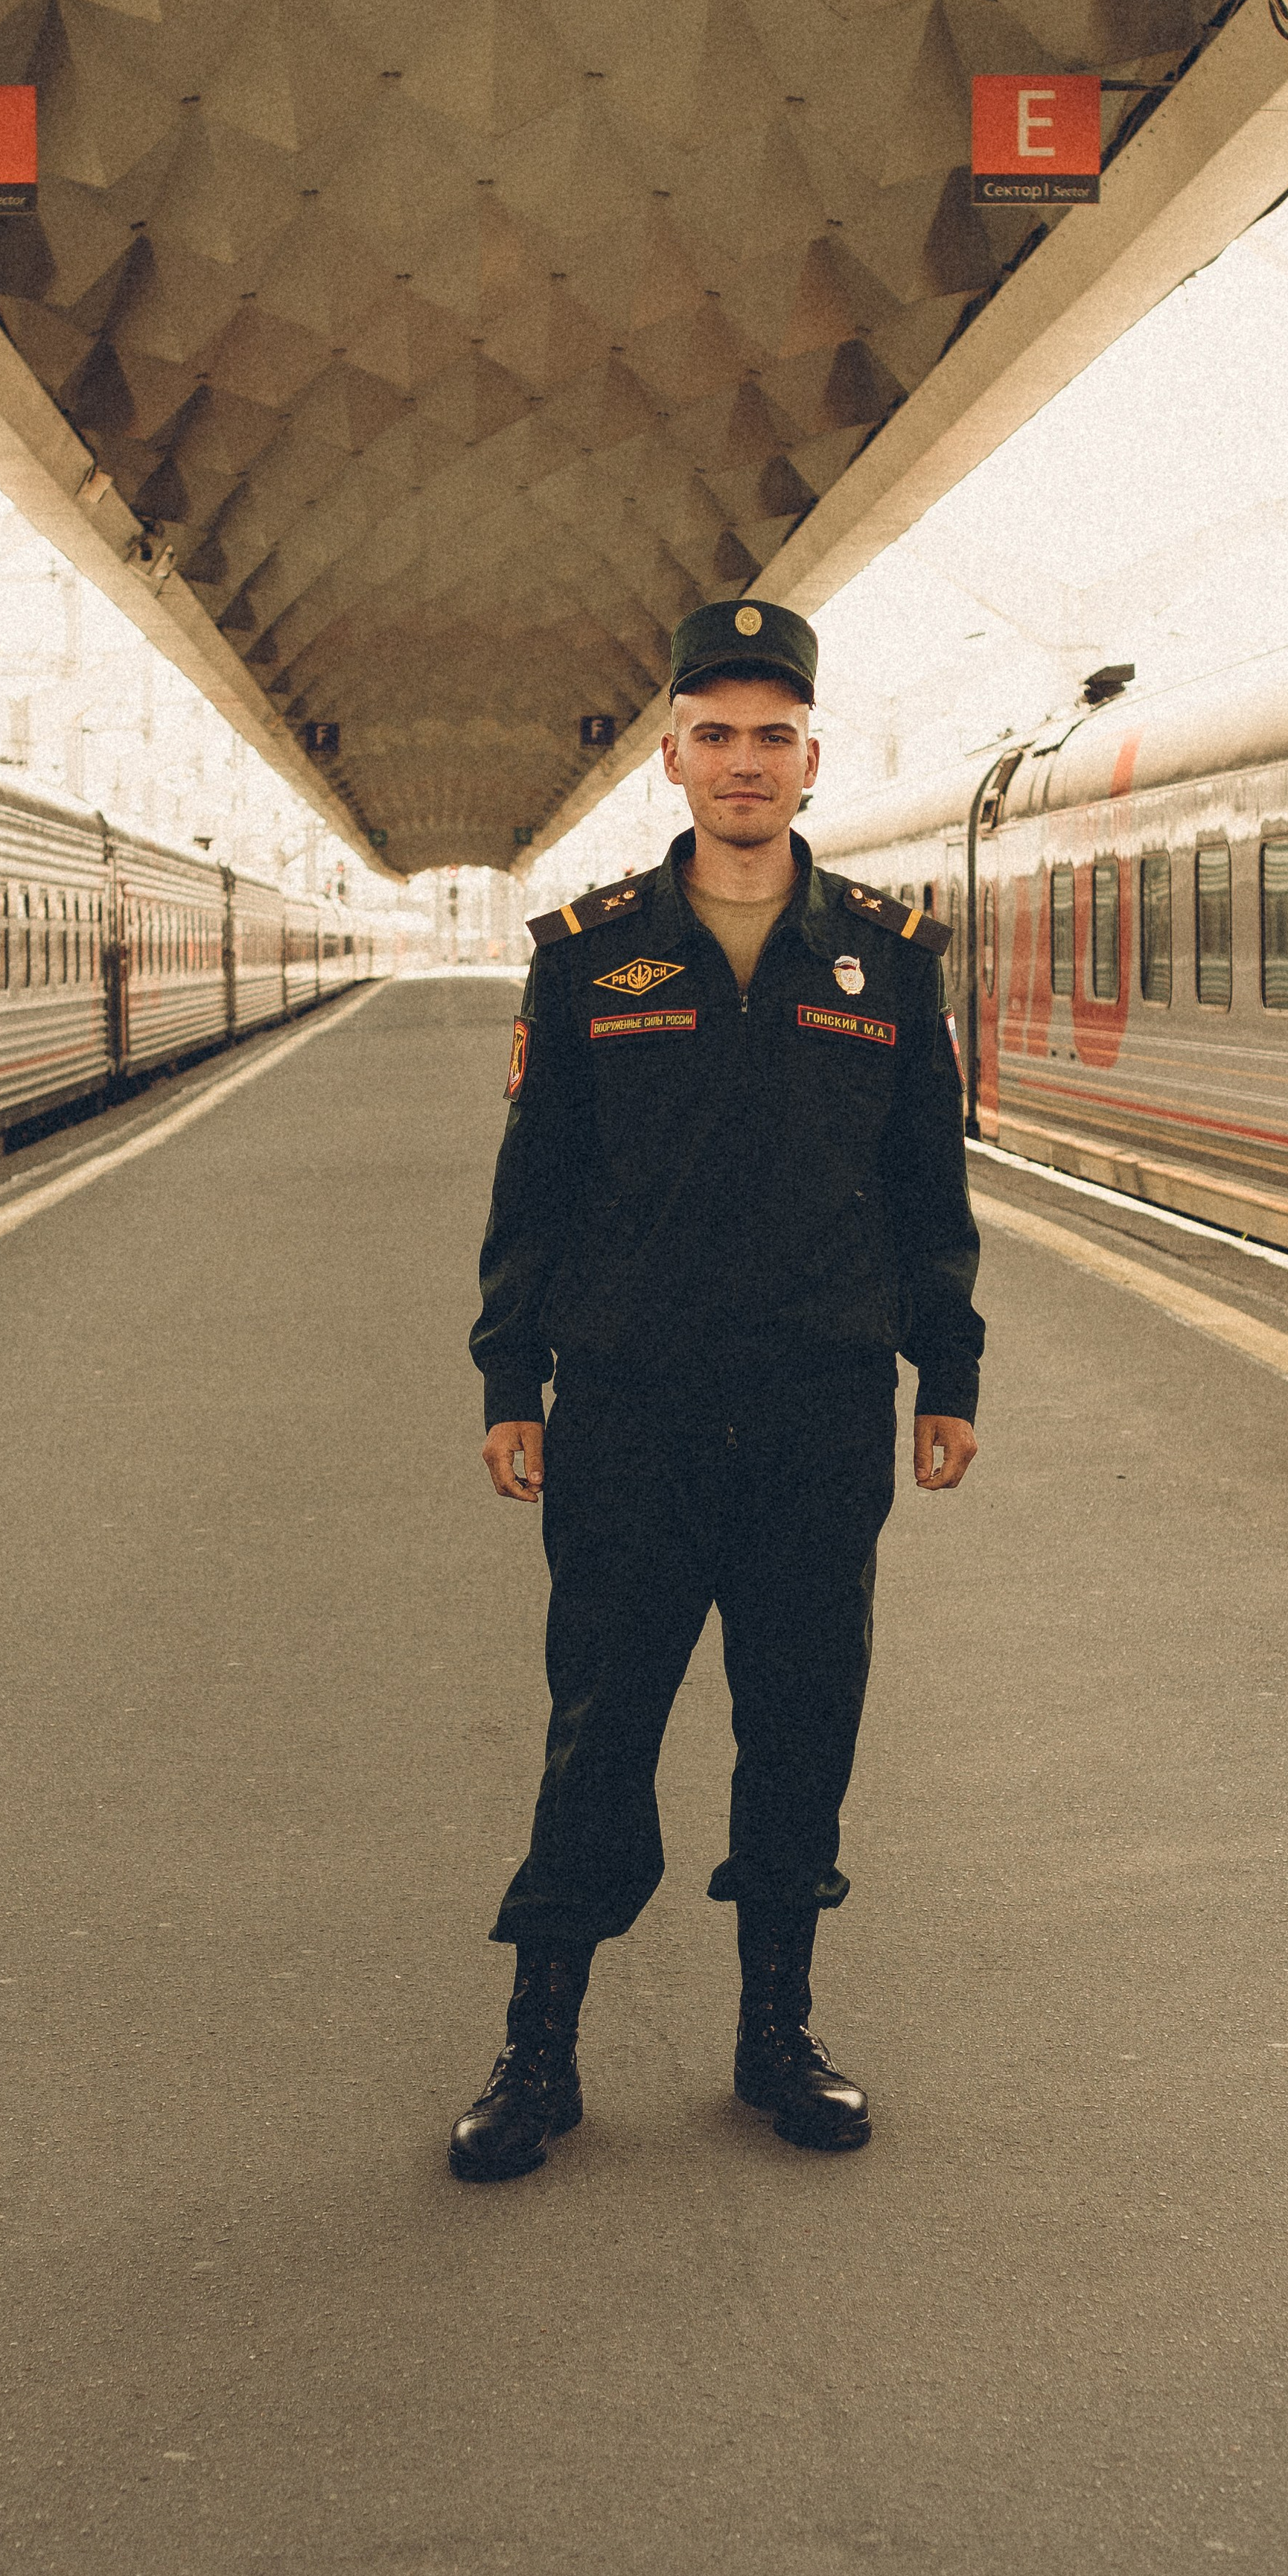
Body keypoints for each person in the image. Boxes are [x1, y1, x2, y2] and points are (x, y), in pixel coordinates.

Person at [451, 596, 983, 2183]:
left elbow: (921, 1190)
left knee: (799, 1720)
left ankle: (775, 2036)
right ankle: (536, 2052)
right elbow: (532, 1188)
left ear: (808, 761)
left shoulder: (884, 962)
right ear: (671, 758)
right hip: (630, 1408)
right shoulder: (589, 957)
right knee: (600, 1723)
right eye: (714, 734)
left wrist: (943, 1367)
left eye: (771, 736)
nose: (742, 762)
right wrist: (509, 1374)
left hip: (820, 1410)